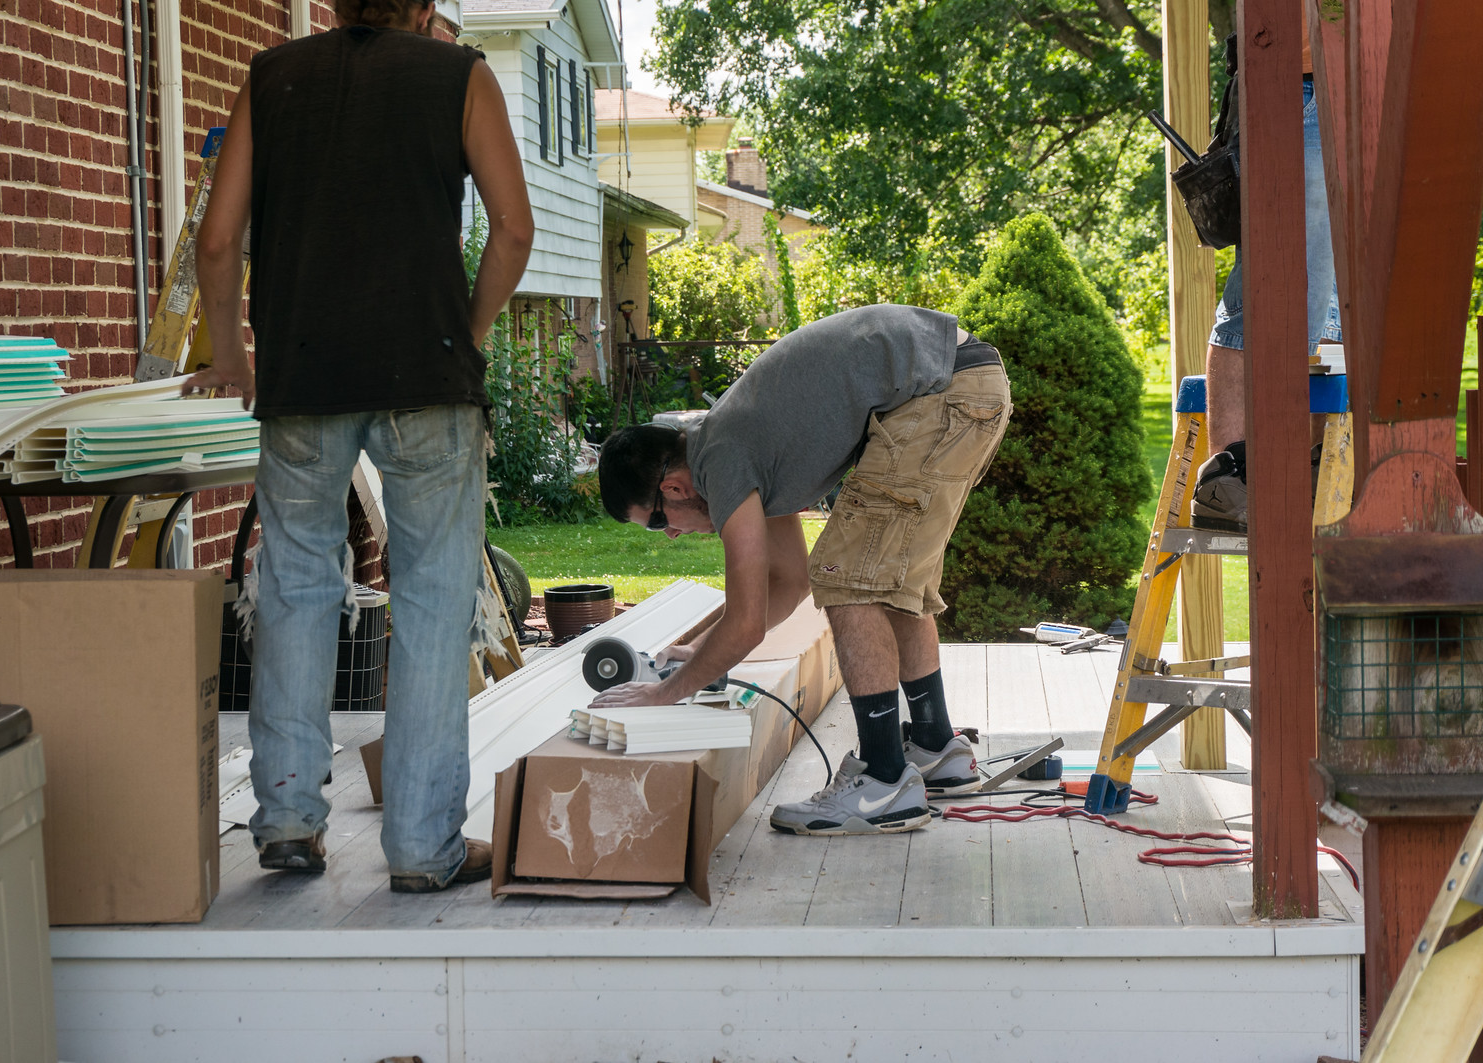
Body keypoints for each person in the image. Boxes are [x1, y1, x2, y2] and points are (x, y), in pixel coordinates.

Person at [187, 0, 533, 892]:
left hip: (302, 377)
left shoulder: (273, 78)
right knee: (430, 599)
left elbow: (218, 239)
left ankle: (291, 821)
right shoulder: (461, 77)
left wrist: (231, 352)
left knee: (295, 585)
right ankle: (422, 847)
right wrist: (473, 331)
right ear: (423, 9)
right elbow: (515, 228)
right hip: (428, 372)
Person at [594, 305, 1012, 835]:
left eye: (658, 522)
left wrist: (661, 694)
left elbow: (748, 622)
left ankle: (883, 782)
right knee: (887, 581)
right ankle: (934, 749)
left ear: (672, 489)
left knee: (846, 579)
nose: (672, 533)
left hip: (940, 392)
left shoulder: (721, 460)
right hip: (961, 382)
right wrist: (696, 651)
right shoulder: (738, 442)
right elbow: (787, 583)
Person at [1191, 2, 1341, 533]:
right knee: (1277, 288)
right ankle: (1227, 474)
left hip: (1358, 87)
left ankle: (1320, 467)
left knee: (1335, 304)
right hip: (1296, 83)